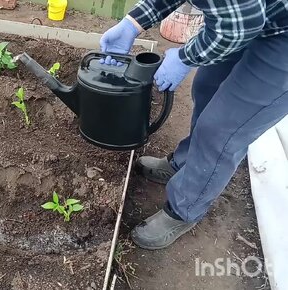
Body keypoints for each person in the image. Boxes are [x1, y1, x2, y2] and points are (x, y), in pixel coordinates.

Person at [99, 0, 288, 250]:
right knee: (206, 86)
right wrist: (133, 23)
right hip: (249, 16)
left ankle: (185, 209)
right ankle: (185, 164)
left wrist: (185, 57)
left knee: (223, 128)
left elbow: (242, 25)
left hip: (280, 36)